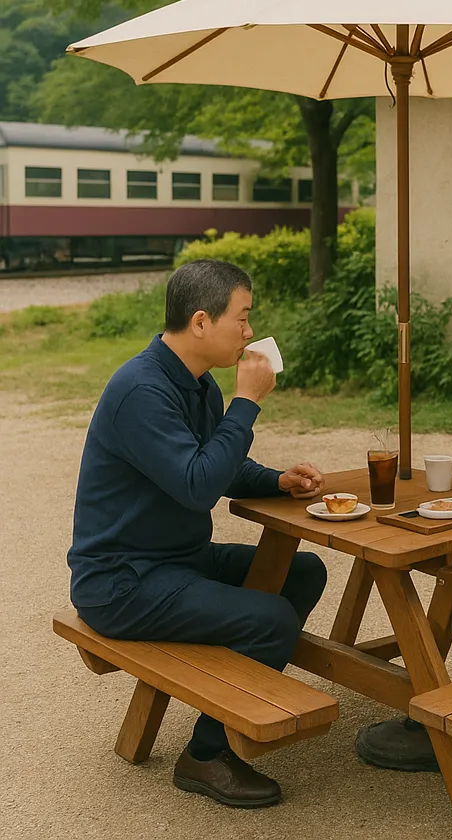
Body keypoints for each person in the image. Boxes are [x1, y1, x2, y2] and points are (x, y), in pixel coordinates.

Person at [67, 259, 328, 808]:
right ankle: (206, 756)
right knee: (271, 618)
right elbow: (196, 485)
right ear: (203, 322)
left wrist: (278, 480)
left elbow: (220, 466)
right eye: (244, 317)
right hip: (122, 582)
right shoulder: (141, 390)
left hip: (176, 560)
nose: (251, 332)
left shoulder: (197, 384)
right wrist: (248, 401)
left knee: (303, 571)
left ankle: (238, 692)